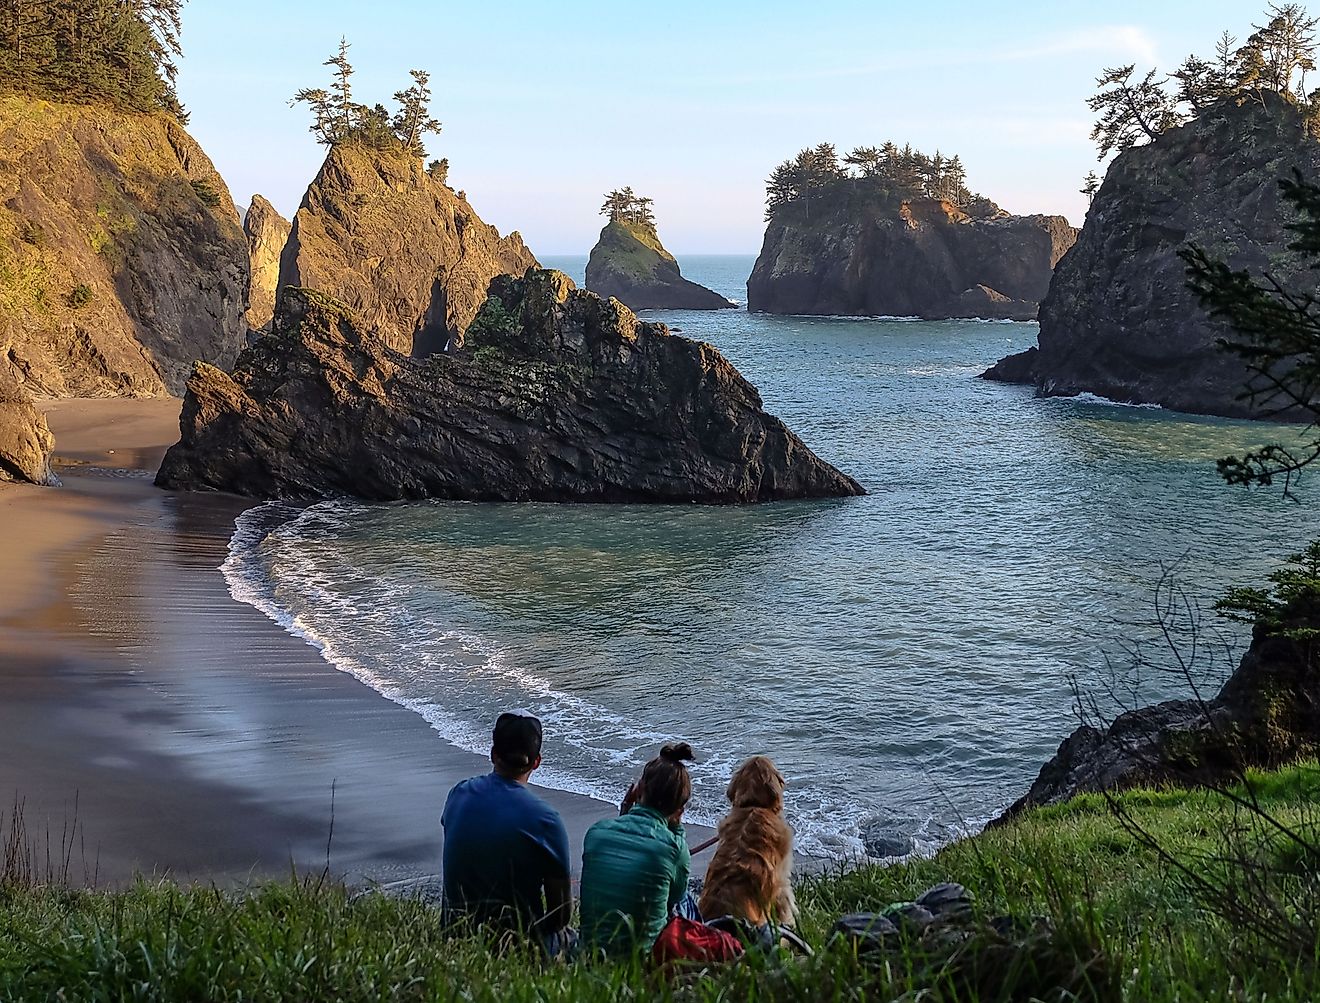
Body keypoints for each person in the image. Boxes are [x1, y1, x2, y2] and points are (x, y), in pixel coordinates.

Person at [440, 712, 573, 953]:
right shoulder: (546, 821)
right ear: (536, 762)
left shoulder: (458, 794)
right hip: (515, 946)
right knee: (581, 942)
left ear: (493, 754)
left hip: (455, 936)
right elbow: (560, 916)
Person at [578, 742, 696, 955]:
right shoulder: (674, 849)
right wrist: (677, 830)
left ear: (638, 790)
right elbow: (674, 898)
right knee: (686, 898)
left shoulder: (596, 833)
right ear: (680, 809)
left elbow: (623, 846)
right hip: (640, 962)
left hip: (589, 954)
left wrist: (625, 810)